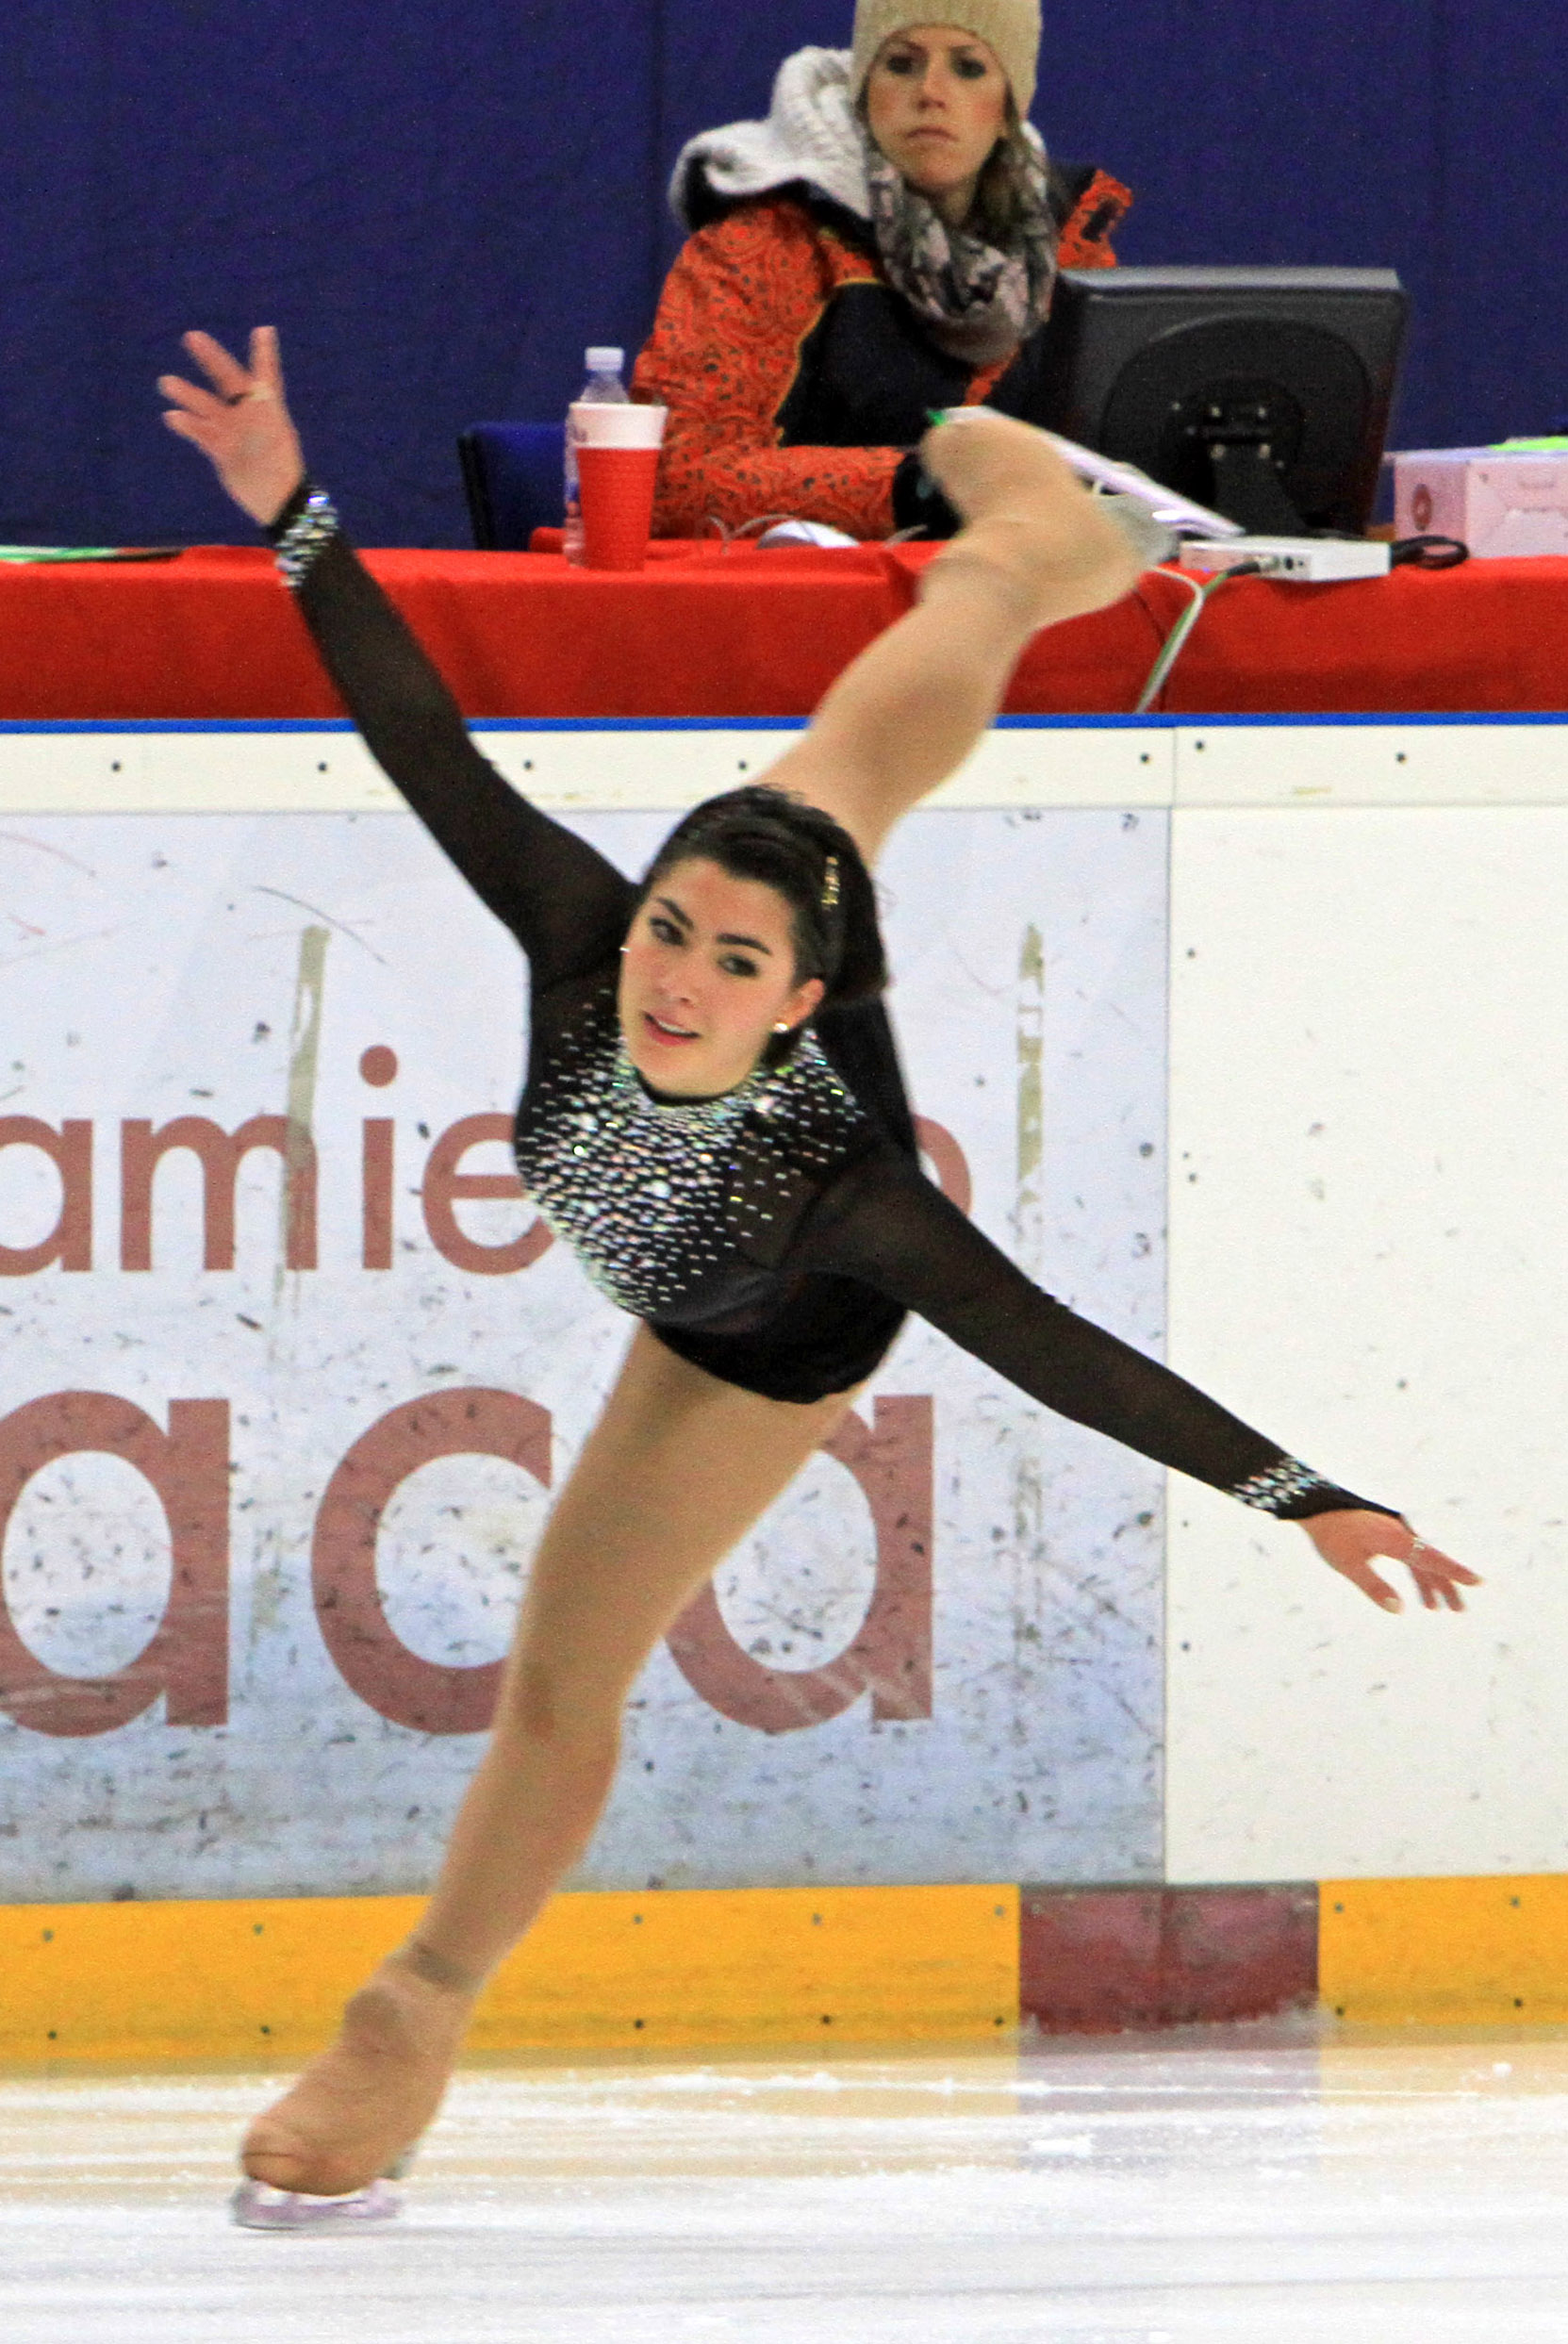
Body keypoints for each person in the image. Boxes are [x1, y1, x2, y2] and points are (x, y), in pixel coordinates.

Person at [159, 326, 1477, 2213]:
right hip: (748, 1076)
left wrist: (1308, 1496)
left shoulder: (847, 1195)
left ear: (802, 1010)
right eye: (671, 930)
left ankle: (409, 2012)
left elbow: (1051, 1344)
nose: (674, 978)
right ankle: (1022, 523)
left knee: (560, 1671)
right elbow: (415, 727)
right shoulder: (596, 942)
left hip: (757, 1334)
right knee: (841, 769)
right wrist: (288, 506)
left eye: (723, 964)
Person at [635, 1, 1132, 543]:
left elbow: (1114, 467)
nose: (931, 93)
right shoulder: (768, 239)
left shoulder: (1066, 255)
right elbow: (676, 481)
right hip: (801, 602)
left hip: (1009, 596)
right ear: (864, 85)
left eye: (968, 68)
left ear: (1010, 104)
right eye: (902, 64)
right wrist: (916, 484)